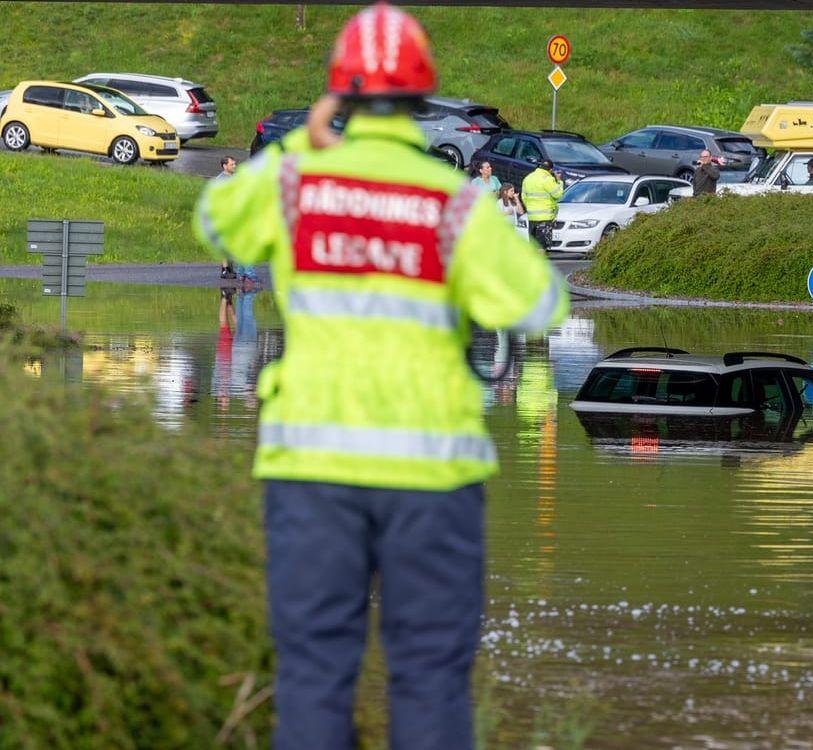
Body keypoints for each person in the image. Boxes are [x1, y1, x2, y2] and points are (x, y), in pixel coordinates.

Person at [192, 4, 568, 748]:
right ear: (425, 101)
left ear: (338, 95)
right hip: (432, 474)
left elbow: (217, 219)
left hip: (312, 472)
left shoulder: (296, 183)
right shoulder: (454, 203)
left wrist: (304, 141)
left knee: (313, 672)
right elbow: (542, 304)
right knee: (429, 677)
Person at [521, 158, 563, 249]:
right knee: (541, 247)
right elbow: (558, 195)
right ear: (550, 170)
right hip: (545, 217)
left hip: (532, 217)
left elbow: (524, 197)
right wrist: (559, 181)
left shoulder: (528, 178)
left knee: (533, 246)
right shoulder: (548, 179)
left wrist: (530, 208)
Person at [217, 157, 238, 279]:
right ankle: (225, 269)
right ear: (225, 166)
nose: (234, 166)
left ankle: (230, 267)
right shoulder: (220, 180)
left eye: (234, 164)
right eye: (232, 164)